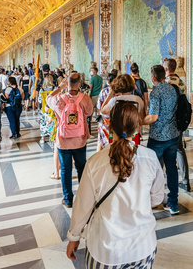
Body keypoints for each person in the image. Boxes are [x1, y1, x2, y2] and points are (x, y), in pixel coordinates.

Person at [66, 101, 164, 269]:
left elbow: (83, 206)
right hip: (143, 247)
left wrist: (74, 237)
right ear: (136, 127)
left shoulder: (94, 163)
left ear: (110, 126)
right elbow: (156, 199)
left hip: (106, 250)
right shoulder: (150, 157)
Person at [47, 73, 94, 207]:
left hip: (63, 140)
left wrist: (59, 87)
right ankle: (84, 197)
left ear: (67, 83)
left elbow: (48, 98)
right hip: (79, 139)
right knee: (81, 167)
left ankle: (68, 199)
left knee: (65, 169)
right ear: (80, 83)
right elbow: (89, 113)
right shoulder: (85, 99)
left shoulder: (58, 99)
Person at [143, 65, 181, 215]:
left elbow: (153, 117)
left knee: (149, 169)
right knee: (172, 169)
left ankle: (148, 201)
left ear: (153, 78)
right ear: (164, 75)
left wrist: (138, 121)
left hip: (158, 138)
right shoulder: (173, 89)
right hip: (173, 135)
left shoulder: (155, 93)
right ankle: (173, 204)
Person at [163, 58, 190, 192]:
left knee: (163, 151)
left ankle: (159, 182)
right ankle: (186, 181)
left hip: (168, 122)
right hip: (179, 121)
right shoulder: (181, 82)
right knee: (179, 149)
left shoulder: (166, 83)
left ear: (166, 69)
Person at [100, 74, 144, 145]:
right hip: (133, 132)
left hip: (115, 132)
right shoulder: (138, 99)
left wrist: (110, 93)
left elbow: (102, 111)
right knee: (134, 152)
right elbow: (141, 118)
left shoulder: (114, 100)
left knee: (113, 148)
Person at [96, 69, 119, 151]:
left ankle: (99, 160)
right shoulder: (118, 93)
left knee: (101, 141)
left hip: (104, 120)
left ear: (107, 82)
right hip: (115, 120)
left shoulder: (103, 92)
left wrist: (101, 117)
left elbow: (99, 107)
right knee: (112, 139)